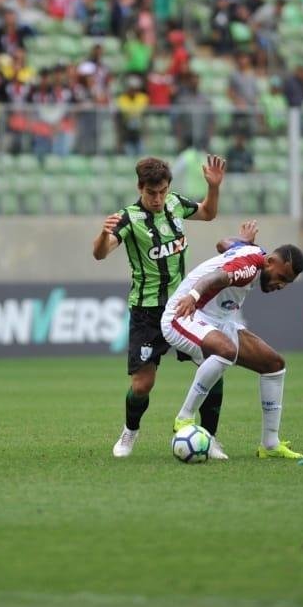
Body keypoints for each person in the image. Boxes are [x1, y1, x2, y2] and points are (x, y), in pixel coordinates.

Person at [93, 155, 226, 459]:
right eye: (151, 193)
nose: (157, 198)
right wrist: (103, 234)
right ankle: (129, 433)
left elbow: (207, 213)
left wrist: (213, 187)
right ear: (140, 188)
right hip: (147, 312)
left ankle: (210, 438)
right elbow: (100, 254)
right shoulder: (127, 218)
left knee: (213, 365)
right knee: (142, 384)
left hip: (183, 307)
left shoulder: (176, 203)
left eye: (162, 191)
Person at [164, 222, 303, 460]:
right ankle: (184, 418)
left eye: (287, 282)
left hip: (218, 321)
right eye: (281, 277)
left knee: (274, 365)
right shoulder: (250, 267)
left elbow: (222, 244)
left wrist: (243, 242)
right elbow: (216, 277)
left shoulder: (253, 253)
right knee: (226, 351)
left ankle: (270, 444)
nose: (280, 285)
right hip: (184, 313)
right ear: (269, 262)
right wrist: (192, 296)